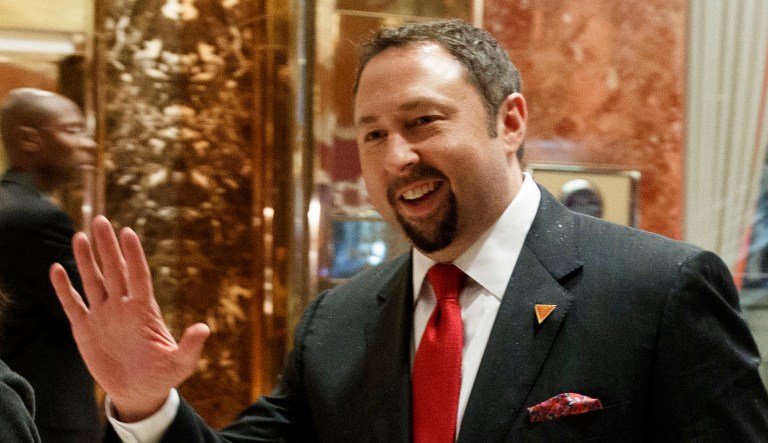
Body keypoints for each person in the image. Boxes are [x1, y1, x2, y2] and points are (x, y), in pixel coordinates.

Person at [50, 19, 768, 442]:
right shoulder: (341, 322)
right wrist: (145, 406)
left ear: (509, 120)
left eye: (423, 122)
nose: (397, 158)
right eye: (371, 135)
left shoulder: (659, 291)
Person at [0, 88, 101, 442]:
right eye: (72, 130)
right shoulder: (36, 217)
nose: (87, 144)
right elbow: (94, 313)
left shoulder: (11, 205)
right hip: (47, 417)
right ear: (29, 139)